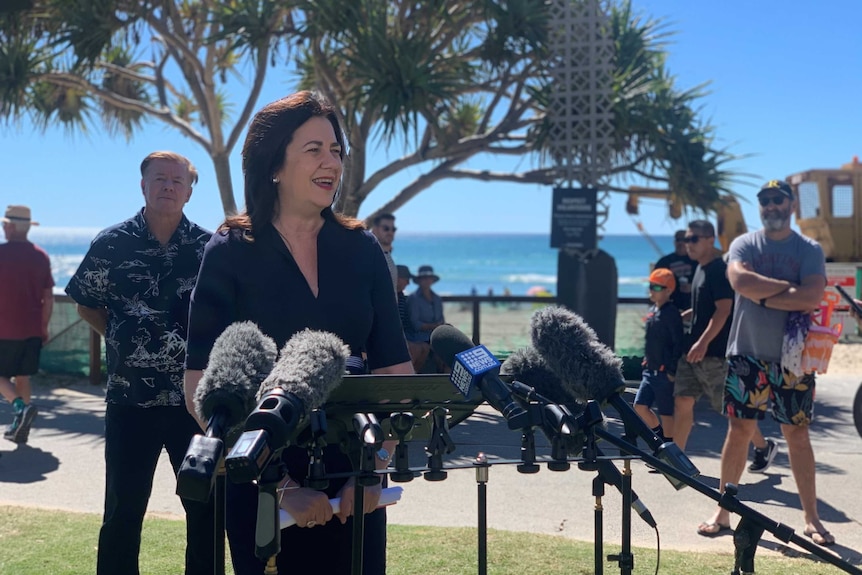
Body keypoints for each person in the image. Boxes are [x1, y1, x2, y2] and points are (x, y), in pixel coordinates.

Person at [183, 91, 413, 575]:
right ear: (273, 165)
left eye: (336, 150)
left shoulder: (363, 249)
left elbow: (396, 371)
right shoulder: (229, 250)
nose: (331, 162)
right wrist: (283, 486)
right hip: (262, 486)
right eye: (314, 150)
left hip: (357, 485)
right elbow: (199, 384)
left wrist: (373, 471)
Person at [65, 151, 215, 574]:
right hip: (130, 403)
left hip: (195, 405)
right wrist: (120, 341)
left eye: (177, 180)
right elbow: (85, 304)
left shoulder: (209, 248)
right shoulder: (111, 243)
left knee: (204, 510)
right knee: (123, 512)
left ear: (189, 191)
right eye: (160, 179)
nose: (168, 186)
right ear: (142, 185)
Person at [697, 180, 834, 546]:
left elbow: (812, 295)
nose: (771, 206)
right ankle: (723, 511)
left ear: (791, 205)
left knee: (797, 435)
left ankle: (812, 519)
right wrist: (787, 291)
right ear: (760, 207)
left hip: (794, 358)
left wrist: (762, 296)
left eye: (778, 200)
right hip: (747, 353)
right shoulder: (743, 243)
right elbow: (739, 280)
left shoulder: (809, 248)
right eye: (765, 201)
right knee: (738, 432)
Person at [672, 220, 734, 452]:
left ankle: (762, 447)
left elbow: (724, 309)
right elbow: (705, 307)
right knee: (683, 401)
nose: (688, 244)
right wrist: (685, 315)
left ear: (711, 240)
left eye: (694, 239)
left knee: (729, 408)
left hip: (712, 353)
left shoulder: (718, 270)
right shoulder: (699, 268)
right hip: (693, 352)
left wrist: (703, 342)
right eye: (686, 239)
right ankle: (676, 460)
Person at [0, 205, 53, 444]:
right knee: (23, 376)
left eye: (4, 224)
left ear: (10, 226)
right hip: (32, 328)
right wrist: (43, 327)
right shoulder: (40, 256)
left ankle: (20, 408)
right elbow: (48, 297)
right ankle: (21, 427)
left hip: (3, 328)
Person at [633, 268, 683, 443]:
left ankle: (669, 452)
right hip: (649, 371)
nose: (652, 290)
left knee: (666, 413)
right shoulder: (653, 310)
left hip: (664, 373)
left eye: (657, 287)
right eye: (651, 286)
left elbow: (679, 343)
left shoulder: (671, 313)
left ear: (669, 290)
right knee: (640, 406)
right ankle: (660, 440)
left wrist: (671, 370)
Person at [406, 265, 447, 373]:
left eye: (429, 278)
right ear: (419, 281)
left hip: (436, 336)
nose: (427, 280)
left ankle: (446, 381)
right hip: (419, 337)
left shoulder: (437, 299)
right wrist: (434, 326)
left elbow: (441, 319)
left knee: (450, 350)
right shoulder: (413, 299)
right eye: (423, 278)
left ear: (432, 280)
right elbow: (415, 324)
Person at [655, 229, 697, 311]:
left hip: (692, 307)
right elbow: (655, 284)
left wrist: (692, 287)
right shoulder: (664, 262)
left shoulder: (696, 261)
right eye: (678, 240)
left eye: (684, 240)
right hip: (670, 307)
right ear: (674, 242)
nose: (681, 243)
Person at [371, 212, 398, 294]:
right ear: (375, 230)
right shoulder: (370, 255)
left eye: (393, 229)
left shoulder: (387, 254)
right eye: (386, 228)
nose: (390, 232)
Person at [396, 264, 413, 337]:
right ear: (398, 279)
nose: (408, 283)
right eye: (407, 280)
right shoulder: (385, 296)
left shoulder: (401, 297)